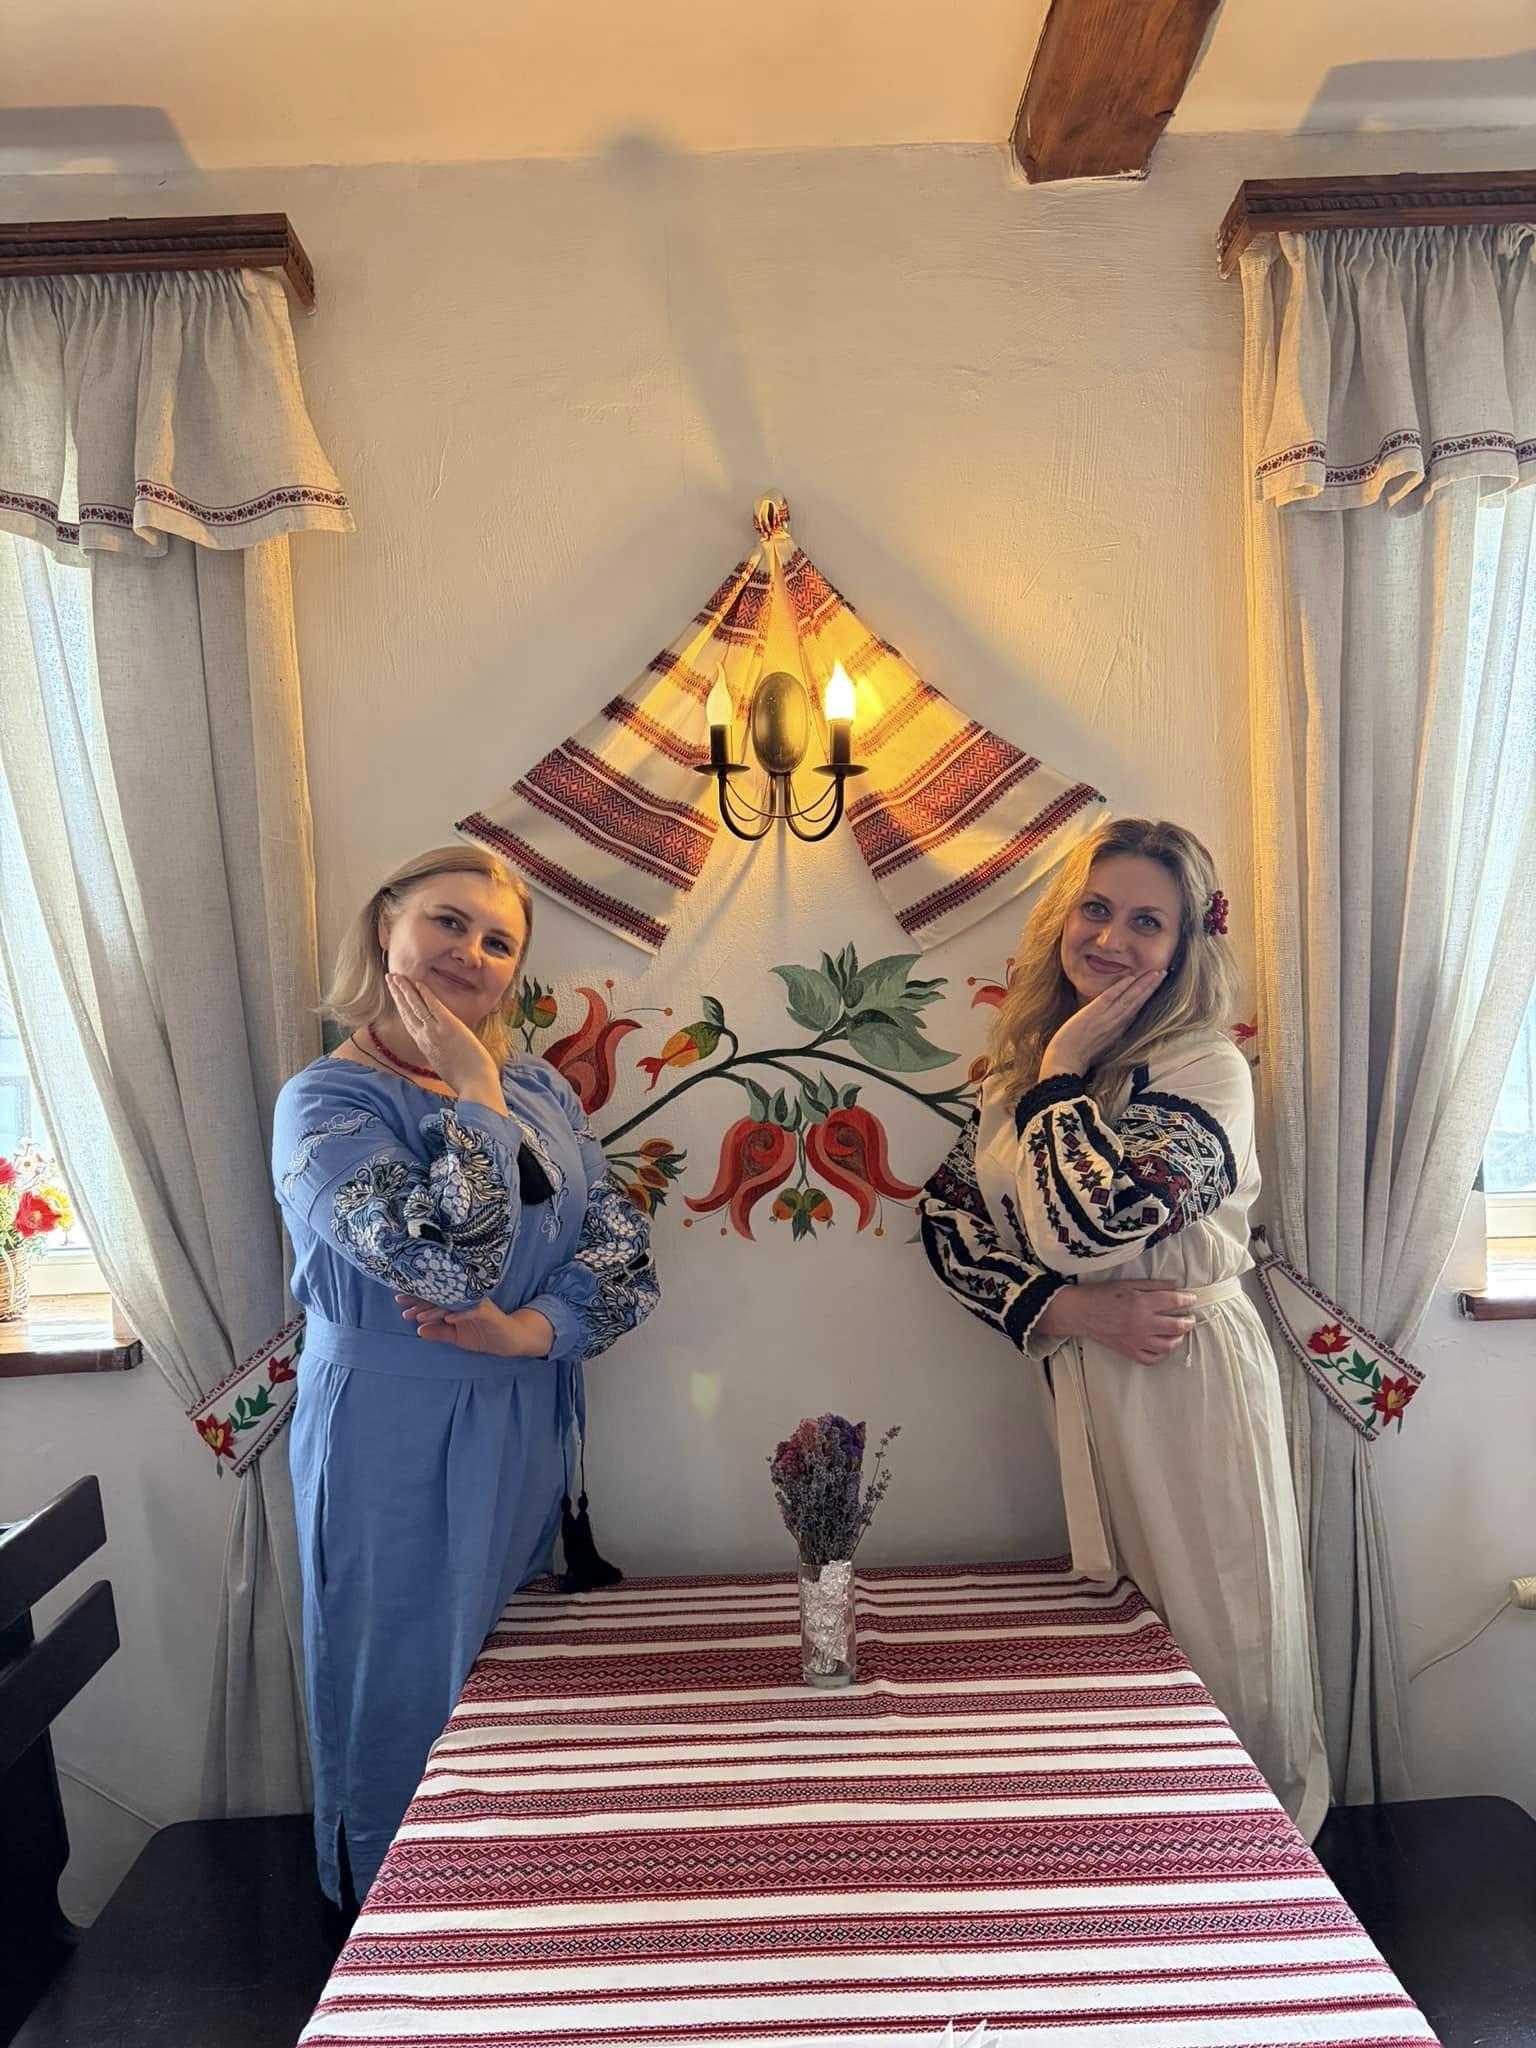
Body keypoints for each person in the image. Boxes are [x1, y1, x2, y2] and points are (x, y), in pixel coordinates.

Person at [918, 817, 1327, 1838]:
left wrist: (1063, 1072)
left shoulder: (1204, 1069)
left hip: (1190, 1372)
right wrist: (1062, 1308)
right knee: (1121, 1632)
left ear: (1185, 945)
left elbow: (1092, 1221)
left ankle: (1260, 1863)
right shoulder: (1013, 1081)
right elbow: (947, 1220)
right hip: (1088, 1368)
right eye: (1095, 909)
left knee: (1223, 1627)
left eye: (1148, 921)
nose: (1111, 937)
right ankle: (1150, 1861)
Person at [272, 844, 659, 1905]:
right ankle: (394, 1924)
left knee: (514, 1669)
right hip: (387, 1429)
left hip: (525, 1408)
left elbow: (624, 1260)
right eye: (448, 921)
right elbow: (442, 1264)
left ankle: (506, 1914)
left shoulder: (543, 1088)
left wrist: (532, 1333)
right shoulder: (323, 1101)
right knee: (400, 1674)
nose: (471, 953)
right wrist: (475, 1094)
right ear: (384, 926)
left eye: (498, 941)